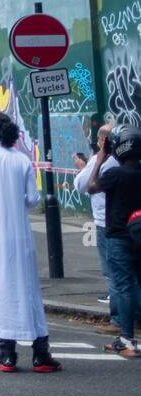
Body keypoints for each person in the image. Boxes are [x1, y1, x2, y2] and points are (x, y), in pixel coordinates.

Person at [0, 111, 60, 373]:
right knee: (27, 289)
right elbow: (32, 199)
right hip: (18, 234)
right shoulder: (21, 160)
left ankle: (6, 354)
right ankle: (40, 353)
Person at [86, 123, 141, 359]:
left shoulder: (115, 174)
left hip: (119, 237)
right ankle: (124, 338)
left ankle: (127, 338)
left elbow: (90, 186)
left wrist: (99, 160)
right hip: (138, 234)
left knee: (124, 286)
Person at [75, 126, 118, 327]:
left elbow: (82, 185)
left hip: (105, 221)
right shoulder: (126, 157)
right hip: (128, 219)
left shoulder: (100, 160)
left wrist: (86, 167)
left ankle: (118, 319)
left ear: (102, 140)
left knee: (112, 270)